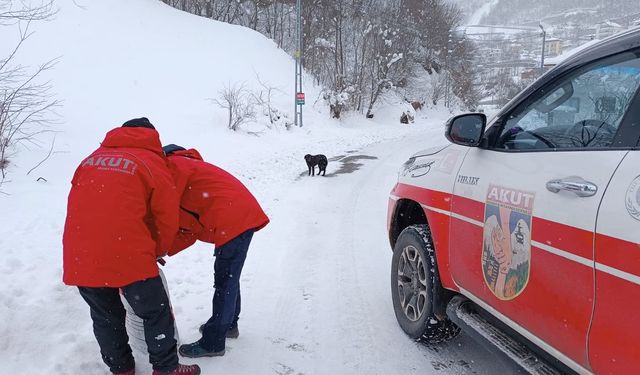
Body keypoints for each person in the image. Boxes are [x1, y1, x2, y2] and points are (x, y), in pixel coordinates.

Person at [62, 118, 201, 375]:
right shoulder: (151, 162)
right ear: (151, 137)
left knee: (105, 317)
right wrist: (157, 249)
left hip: (80, 254)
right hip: (127, 254)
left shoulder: (90, 160)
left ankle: (122, 369)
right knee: (155, 312)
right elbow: (166, 216)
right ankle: (167, 369)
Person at [162, 144, 269, 358]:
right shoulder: (186, 174)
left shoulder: (174, 166)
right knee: (229, 277)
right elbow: (188, 231)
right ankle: (228, 325)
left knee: (225, 280)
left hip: (233, 219)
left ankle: (214, 342)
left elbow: (164, 206)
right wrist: (162, 250)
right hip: (236, 217)